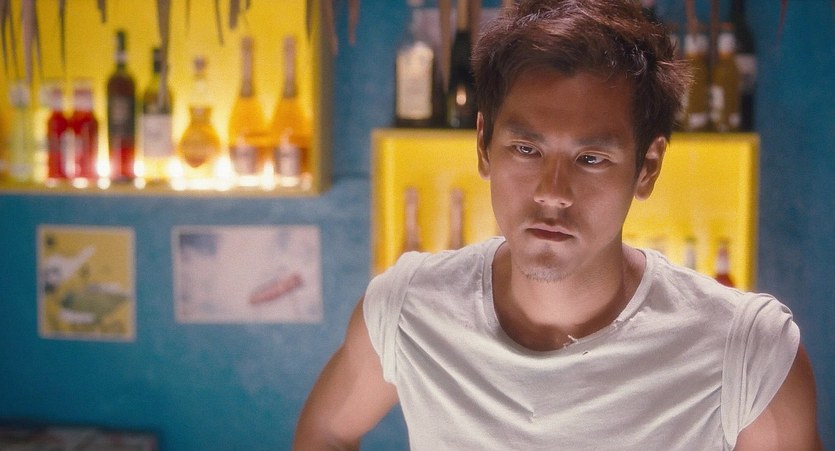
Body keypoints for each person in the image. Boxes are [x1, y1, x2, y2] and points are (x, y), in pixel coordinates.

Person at [294, 0, 822, 449]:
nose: (552, 191)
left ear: (647, 168)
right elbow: (325, 433)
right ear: (483, 146)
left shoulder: (747, 350)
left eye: (591, 159)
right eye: (526, 149)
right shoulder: (408, 308)